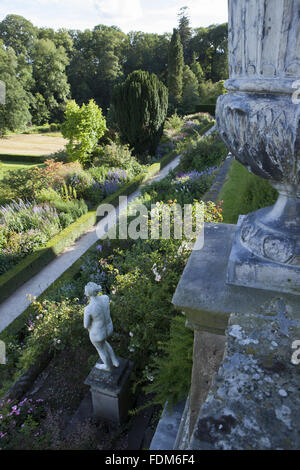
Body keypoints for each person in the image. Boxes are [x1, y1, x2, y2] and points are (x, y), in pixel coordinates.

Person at [84, 282, 119, 372]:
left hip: (98, 333)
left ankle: (107, 367)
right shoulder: (105, 298)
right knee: (104, 342)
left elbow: (86, 325)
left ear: (87, 294)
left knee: (100, 349)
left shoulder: (88, 308)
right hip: (109, 328)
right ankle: (115, 361)